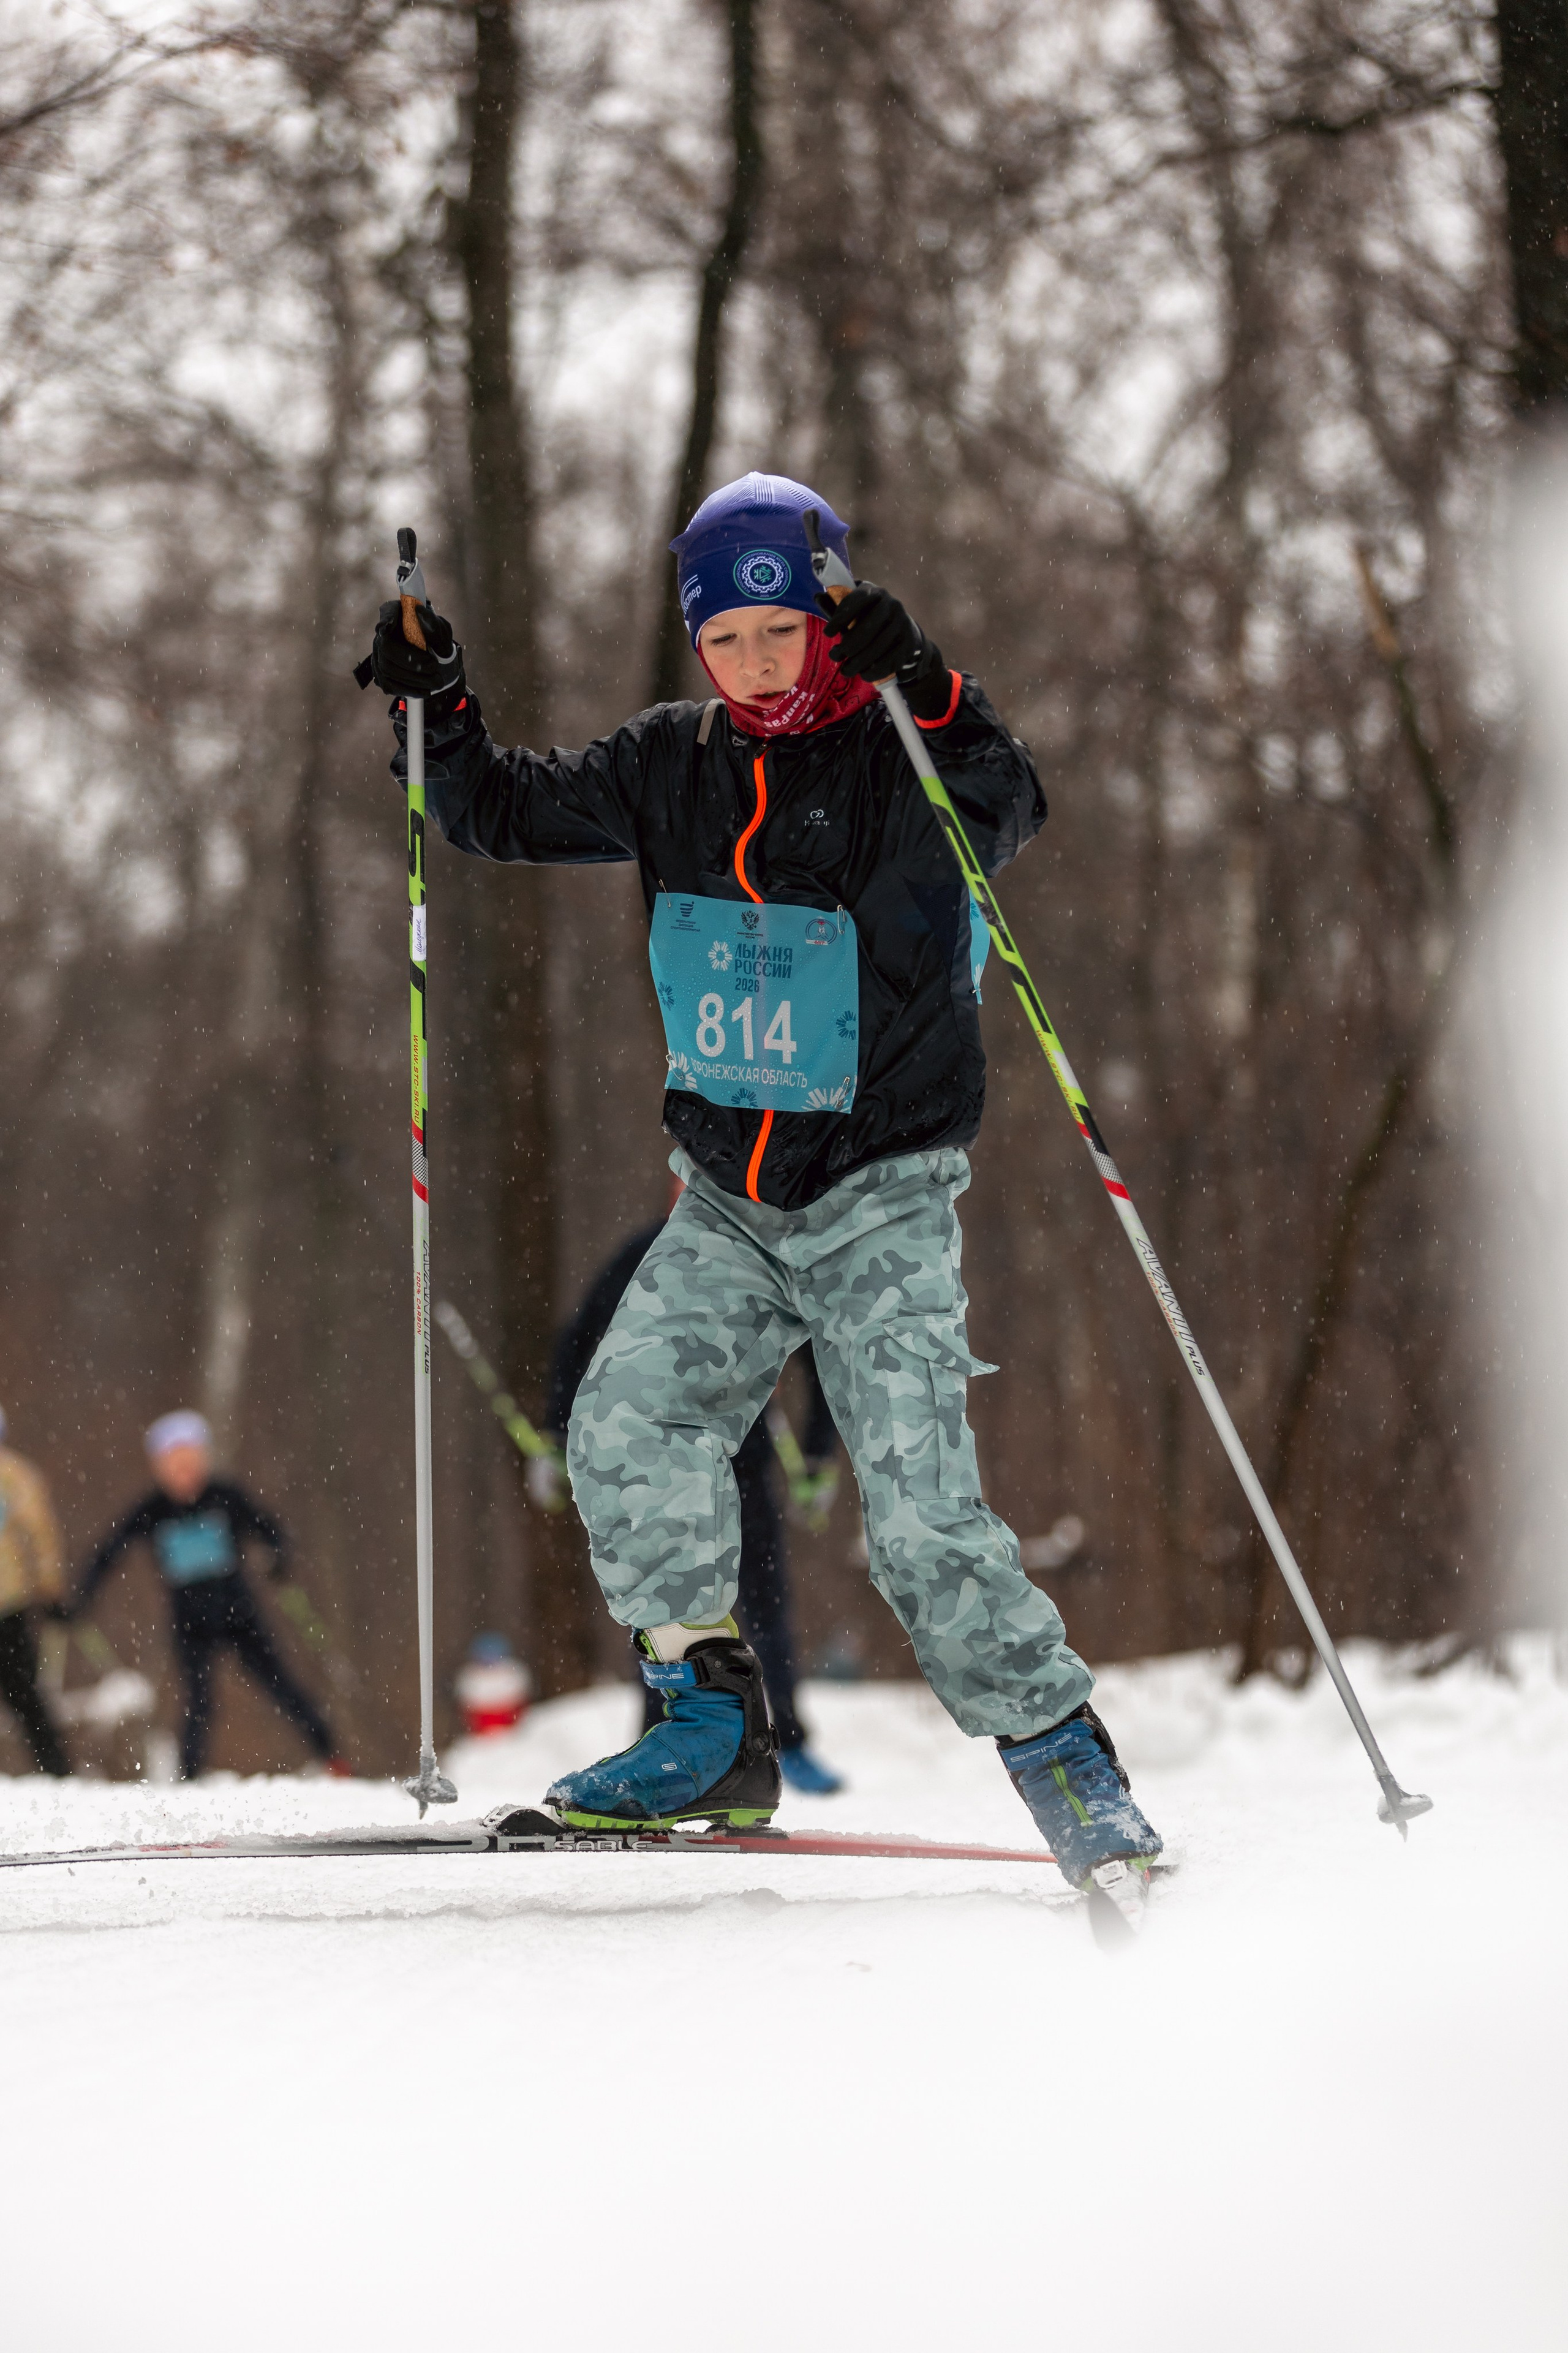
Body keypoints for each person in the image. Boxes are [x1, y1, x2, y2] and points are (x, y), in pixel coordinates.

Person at [362, 470, 1161, 1924]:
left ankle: (1065, 1761)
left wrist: (929, 686)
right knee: (624, 1424)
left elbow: (1008, 798)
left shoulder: (899, 756)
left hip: (880, 1194)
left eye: (778, 632)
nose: (751, 664)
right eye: (721, 640)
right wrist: (439, 710)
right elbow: (496, 809)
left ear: (827, 621)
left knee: (917, 1514)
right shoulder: (670, 760)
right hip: (728, 1202)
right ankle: (710, 1725)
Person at [536, 1208, 846, 1795]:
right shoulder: (646, 1248)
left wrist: (817, 1453)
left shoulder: (765, 1241)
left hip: (744, 1459)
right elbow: (582, 1335)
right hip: (666, 1462)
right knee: (663, 1600)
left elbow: (821, 1348)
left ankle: (788, 1740)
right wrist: (556, 1431)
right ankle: (664, 1738)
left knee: (765, 1602)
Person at [62, 1412, 345, 1780]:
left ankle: (333, 1757)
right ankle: (190, 1776)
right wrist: (81, 1598)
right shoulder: (154, 1509)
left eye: (190, 1460)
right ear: (159, 1467)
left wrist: (278, 1556)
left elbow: (269, 1528)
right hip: (190, 1621)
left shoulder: (224, 1496)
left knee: (282, 1685)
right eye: (173, 1463)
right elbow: (109, 1552)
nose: (183, 1472)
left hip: (239, 1612)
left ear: (203, 1459)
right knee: (198, 1701)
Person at [0, 1408, 71, 1776]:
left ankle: (57, 1770)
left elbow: (39, 1534)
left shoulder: (14, 1476)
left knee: (22, 1691)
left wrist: (49, 1585)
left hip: (8, 1601)